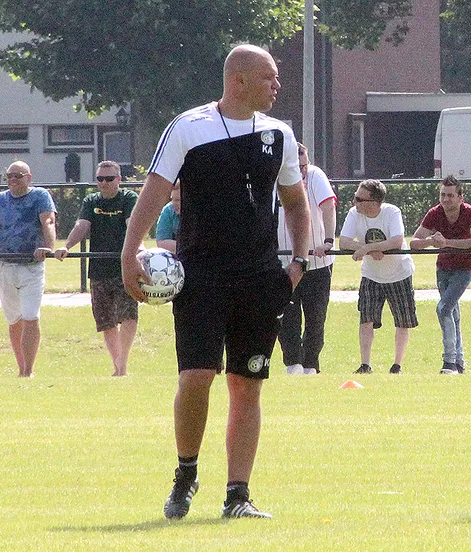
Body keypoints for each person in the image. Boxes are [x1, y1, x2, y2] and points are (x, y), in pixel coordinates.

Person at [120, 44, 311, 520]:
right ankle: (186, 473)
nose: (277, 85)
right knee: (196, 377)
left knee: (248, 385)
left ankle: (238, 495)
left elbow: (295, 201)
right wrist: (129, 252)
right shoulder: (189, 127)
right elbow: (153, 193)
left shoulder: (280, 134)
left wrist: (299, 262)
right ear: (238, 80)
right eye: (269, 76)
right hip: (201, 275)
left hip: (260, 277)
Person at [55, 161, 139, 377]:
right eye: (100, 179)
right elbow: (81, 226)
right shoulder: (91, 201)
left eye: (109, 179)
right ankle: (117, 366)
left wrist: (138, 248)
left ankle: (123, 363)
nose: (104, 183)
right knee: (105, 321)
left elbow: (133, 224)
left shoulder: (129, 198)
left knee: (129, 315)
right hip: (99, 270)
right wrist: (66, 246)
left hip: (123, 267)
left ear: (119, 179)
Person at [339, 179, 417, 375]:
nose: (354, 202)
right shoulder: (354, 213)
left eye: (359, 199)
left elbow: (397, 241)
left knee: (402, 321)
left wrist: (368, 248)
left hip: (399, 273)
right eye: (355, 197)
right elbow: (344, 242)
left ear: (374, 202)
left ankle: (397, 366)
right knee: (366, 319)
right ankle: (365, 365)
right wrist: (368, 249)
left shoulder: (392, 212)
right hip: (371, 275)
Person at [410, 175, 471, 374]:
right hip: (443, 267)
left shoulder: (470, 212)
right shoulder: (434, 213)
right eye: (443, 195)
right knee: (452, 312)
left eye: (450, 195)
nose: (445, 199)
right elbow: (414, 242)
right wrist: (430, 241)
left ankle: (449, 361)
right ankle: (459, 362)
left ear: (460, 197)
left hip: (465, 266)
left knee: (443, 308)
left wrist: (446, 243)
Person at [277, 143, 336, 375]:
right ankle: (293, 364)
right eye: (297, 166)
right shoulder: (274, 179)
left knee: (316, 317)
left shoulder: (315, 176)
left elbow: (328, 206)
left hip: (316, 264)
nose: (302, 170)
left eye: (304, 165)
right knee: (286, 317)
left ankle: (311, 364)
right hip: (284, 262)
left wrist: (328, 240)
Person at [0, 161, 56, 378]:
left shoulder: (40, 196)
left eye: (18, 175)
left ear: (29, 177)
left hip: (31, 267)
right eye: (9, 176)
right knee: (14, 320)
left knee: (31, 316)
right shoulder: (2, 200)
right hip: (6, 265)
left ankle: (28, 371)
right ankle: (20, 367)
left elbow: (48, 221)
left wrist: (48, 247)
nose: (13, 179)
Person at [155, 181, 181, 253]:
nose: (174, 203)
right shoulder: (168, 210)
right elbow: (162, 243)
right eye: (172, 199)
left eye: (178, 200)